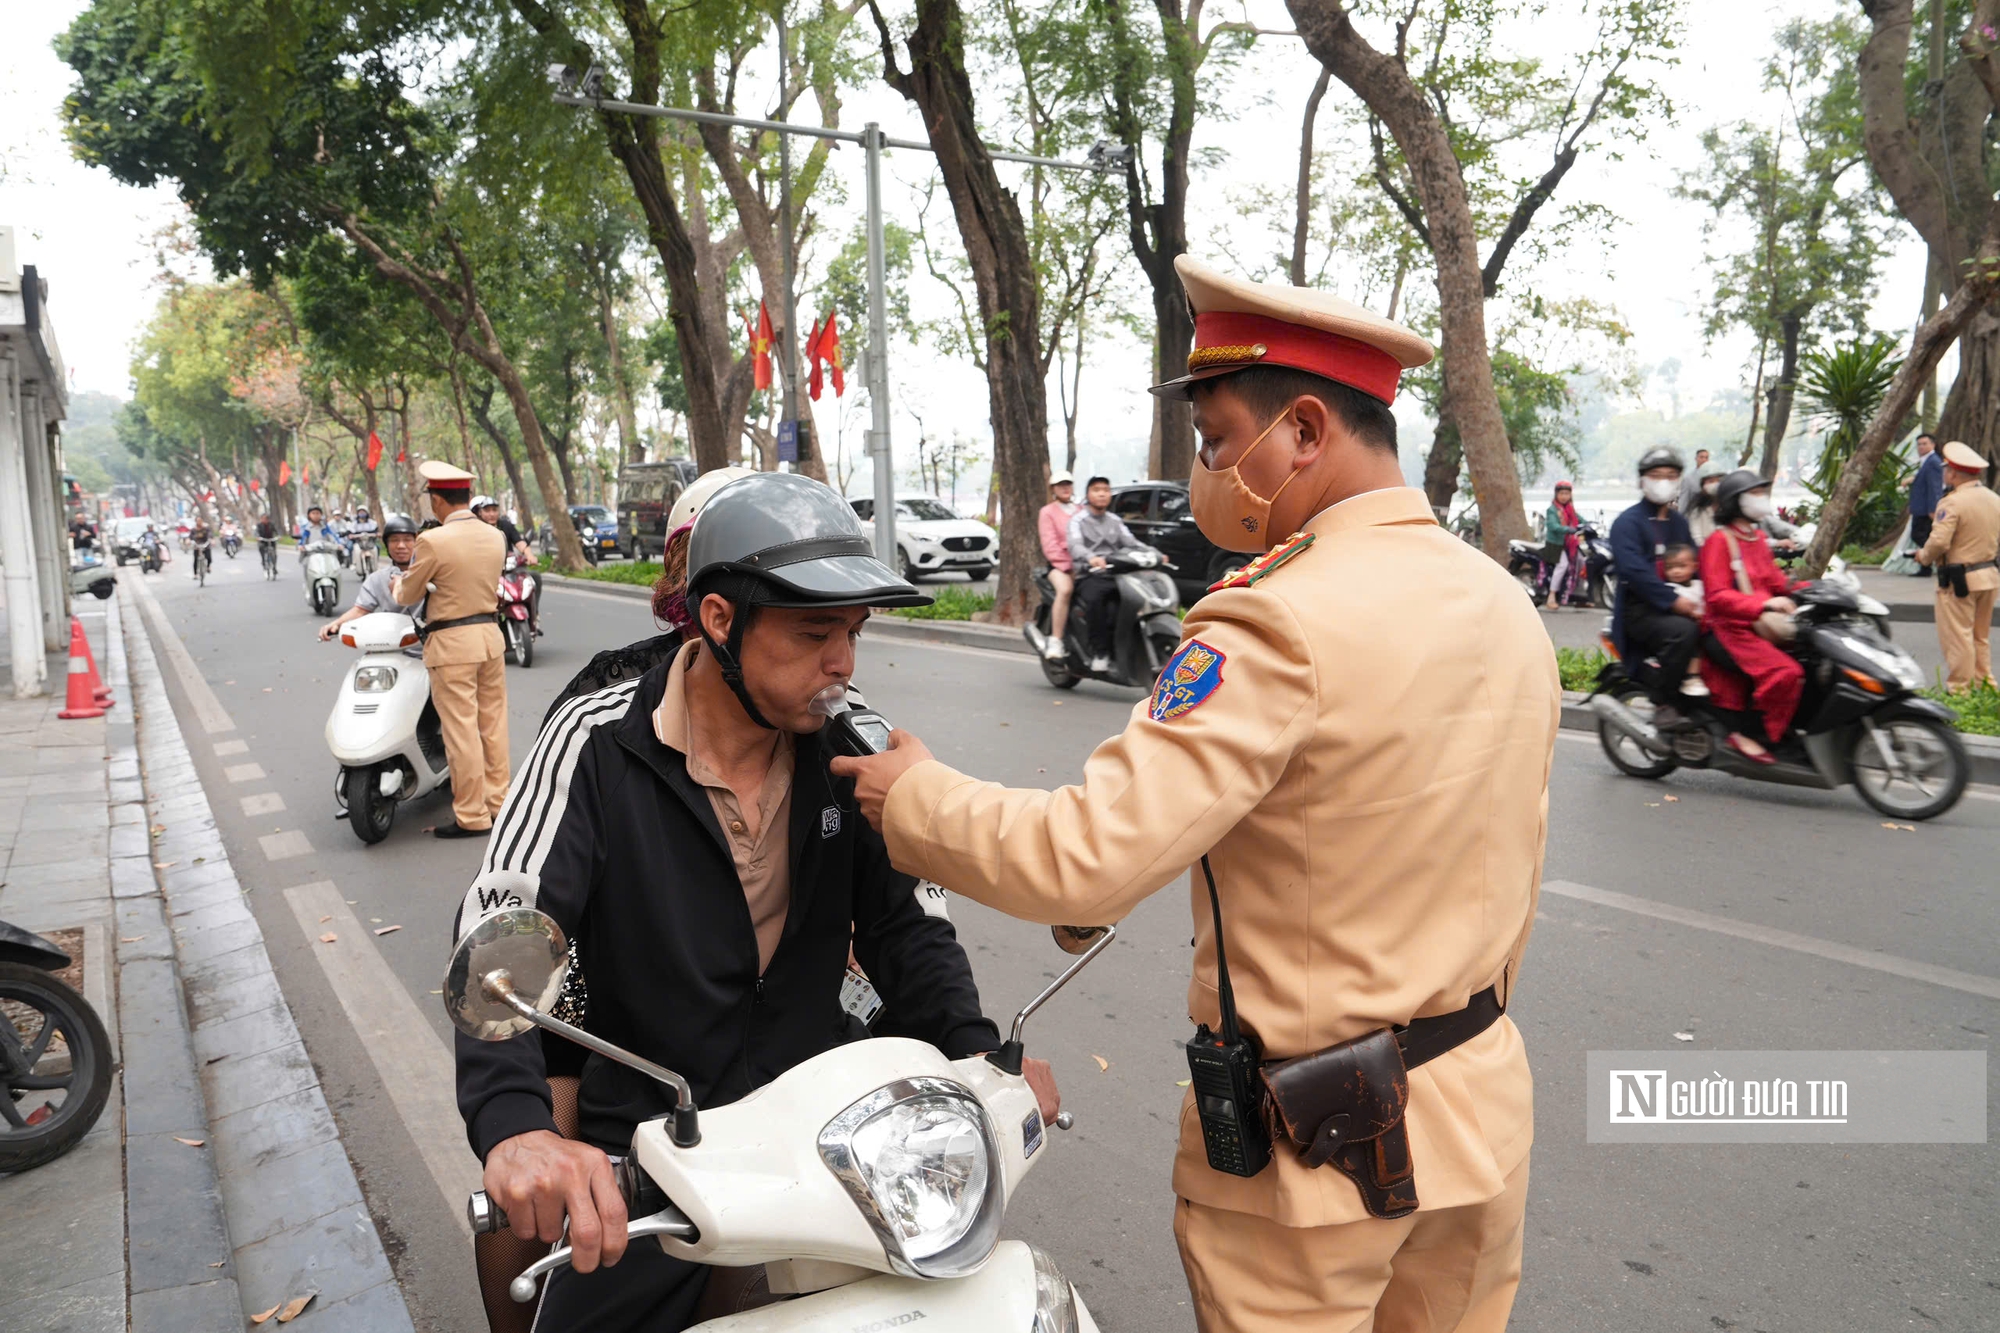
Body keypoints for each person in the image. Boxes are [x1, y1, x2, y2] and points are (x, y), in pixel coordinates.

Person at [832, 256, 1557, 1333]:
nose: (1208, 468)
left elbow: (1083, 854)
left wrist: (914, 797)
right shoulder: (1497, 601)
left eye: (1217, 440)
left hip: (1322, 1152)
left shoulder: (1272, 620)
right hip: (1481, 1116)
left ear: (1303, 430)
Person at [454, 471, 1049, 1332]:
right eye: (813, 632)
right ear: (721, 619)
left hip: (829, 1135)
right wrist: (516, 1126)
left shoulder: (858, 744)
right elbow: (505, 926)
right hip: (659, 1141)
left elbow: (907, 926)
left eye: (852, 631)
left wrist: (977, 1052)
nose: (841, 662)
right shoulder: (594, 740)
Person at [392, 462, 508, 839]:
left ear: (438, 500)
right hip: (490, 639)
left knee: (461, 732)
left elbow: (408, 594)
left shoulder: (433, 541)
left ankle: (472, 816)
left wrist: (399, 585)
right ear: (469, 497)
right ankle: (499, 804)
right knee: (492, 726)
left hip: (452, 645)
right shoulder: (495, 536)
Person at [1698, 470, 1802, 764]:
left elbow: (1777, 583)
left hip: (1759, 624)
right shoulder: (1719, 541)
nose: (1761, 499)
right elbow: (1717, 597)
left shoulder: (1757, 537)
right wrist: (1765, 606)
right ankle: (1757, 732)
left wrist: (1815, 589)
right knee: (1786, 673)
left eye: (1762, 493)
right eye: (1754, 494)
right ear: (1735, 501)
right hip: (1730, 628)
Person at [1609, 448, 1699, 720]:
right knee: (1683, 633)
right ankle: (1664, 702)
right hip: (1641, 609)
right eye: (1656, 475)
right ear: (1642, 481)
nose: (1663, 482)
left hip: (1680, 599)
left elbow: (1696, 561)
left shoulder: (1679, 523)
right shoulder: (1627, 523)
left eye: (1671, 476)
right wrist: (1674, 601)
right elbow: (1634, 571)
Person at [1916, 440, 2000, 691]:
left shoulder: (1952, 502)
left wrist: (1923, 556)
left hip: (1959, 580)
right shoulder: (1994, 499)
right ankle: (1986, 687)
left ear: (1953, 472)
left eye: (1946, 469)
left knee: (1959, 637)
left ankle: (1960, 691)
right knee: (1979, 637)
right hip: (1989, 576)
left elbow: (1939, 542)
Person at [1066, 475, 1144, 672]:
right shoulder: (1078, 521)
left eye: (1105, 490)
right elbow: (1075, 545)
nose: (1102, 494)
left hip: (1115, 574)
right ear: (1088, 495)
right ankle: (1099, 652)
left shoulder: (1115, 521)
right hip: (1089, 574)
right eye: (1096, 489)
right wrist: (1091, 558)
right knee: (1096, 603)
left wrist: (1157, 554)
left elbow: (1132, 543)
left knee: (1132, 601)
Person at [318, 515, 423, 642]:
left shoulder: (432, 573)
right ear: (387, 545)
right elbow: (360, 610)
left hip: (430, 649)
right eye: (394, 540)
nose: (401, 545)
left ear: (418, 543)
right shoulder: (377, 579)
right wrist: (336, 624)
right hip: (392, 645)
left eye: (407, 540)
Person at [473, 495, 540, 637]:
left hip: (510, 569)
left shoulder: (506, 525)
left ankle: (534, 615)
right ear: (480, 513)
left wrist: (529, 555)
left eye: (494, 510)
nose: (491, 514)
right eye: (487, 510)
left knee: (534, 578)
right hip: (487, 573)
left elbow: (520, 543)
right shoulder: (476, 529)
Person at [1037, 470, 1080, 660]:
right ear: (1053, 489)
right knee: (1065, 590)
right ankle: (1056, 639)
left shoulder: (1082, 510)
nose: (1065, 488)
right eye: (1061, 485)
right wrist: (1068, 566)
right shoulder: (1047, 512)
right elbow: (1050, 545)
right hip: (1060, 566)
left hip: (1085, 564)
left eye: (1068, 484)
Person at [1658, 543, 1708, 697]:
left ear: (1694, 566)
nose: (1676, 571)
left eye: (1681, 566)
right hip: (1689, 628)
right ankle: (1691, 677)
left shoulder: (1700, 585)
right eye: (1670, 567)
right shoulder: (1670, 590)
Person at [1539, 480, 1581, 609]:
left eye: (1567, 493)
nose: (1564, 496)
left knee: (1581, 560)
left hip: (1568, 545)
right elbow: (1553, 525)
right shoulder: (1552, 510)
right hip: (1555, 545)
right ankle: (1551, 595)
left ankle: (1578, 595)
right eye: (1561, 493)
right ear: (1556, 494)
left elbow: (1579, 519)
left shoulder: (1570, 509)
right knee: (1563, 565)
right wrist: (1568, 529)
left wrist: (1590, 524)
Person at [1909, 433, 1943, 572]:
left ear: (1933, 445)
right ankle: (1926, 566)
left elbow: (1935, 487)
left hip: (1926, 509)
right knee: (1924, 536)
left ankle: (1935, 559)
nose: (1921, 447)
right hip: (1920, 507)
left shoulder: (1933, 462)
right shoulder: (1926, 461)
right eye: (1919, 444)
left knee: (1918, 535)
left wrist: (1933, 509)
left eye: (1925, 443)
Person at [1684, 465, 1723, 546]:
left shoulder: (1729, 505)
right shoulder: (1696, 509)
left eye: (1718, 480)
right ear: (1703, 485)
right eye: (1711, 481)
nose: (1716, 484)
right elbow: (1696, 537)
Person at [1677, 447, 1712, 511]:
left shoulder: (1713, 477)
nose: (1704, 460)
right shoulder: (1688, 479)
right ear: (1696, 459)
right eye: (1701, 457)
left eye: (1706, 457)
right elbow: (1683, 500)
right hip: (1694, 514)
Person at [187, 515, 213, 581]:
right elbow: (190, 537)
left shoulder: (206, 528)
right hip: (197, 546)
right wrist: (188, 541)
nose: (199, 522)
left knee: (209, 557)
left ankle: (208, 566)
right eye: (198, 521)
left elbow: (210, 535)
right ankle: (195, 574)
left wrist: (211, 540)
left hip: (205, 544)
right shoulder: (193, 530)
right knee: (196, 559)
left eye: (200, 521)